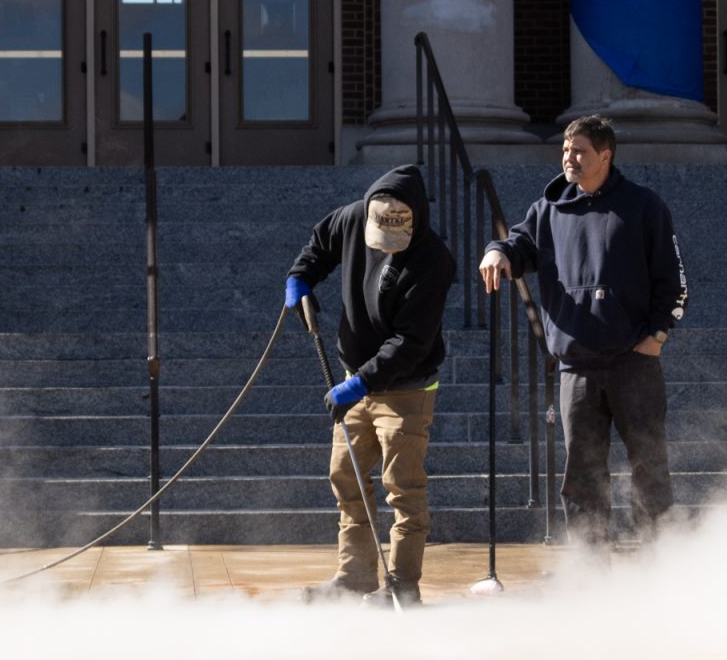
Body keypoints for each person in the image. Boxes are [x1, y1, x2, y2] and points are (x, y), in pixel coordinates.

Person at [479, 115, 688, 552]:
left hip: (635, 362)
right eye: (566, 151)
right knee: (582, 477)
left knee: (650, 468)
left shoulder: (644, 206)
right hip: (576, 367)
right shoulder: (549, 209)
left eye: (580, 152)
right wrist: (498, 252)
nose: (569, 159)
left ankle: (660, 565)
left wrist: (656, 338)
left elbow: (674, 283)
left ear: (605, 156)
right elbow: (518, 245)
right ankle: (592, 573)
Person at [288, 164, 456, 607]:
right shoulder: (353, 217)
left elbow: (412, 343)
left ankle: (402, 588)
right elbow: (320, 245)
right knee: (347, 480)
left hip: (406, 390)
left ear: (415, 221)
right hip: (355, 380)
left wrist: (361, 383)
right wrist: (300, 275)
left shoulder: (433, 260)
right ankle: (354, 578)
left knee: (403, 488)